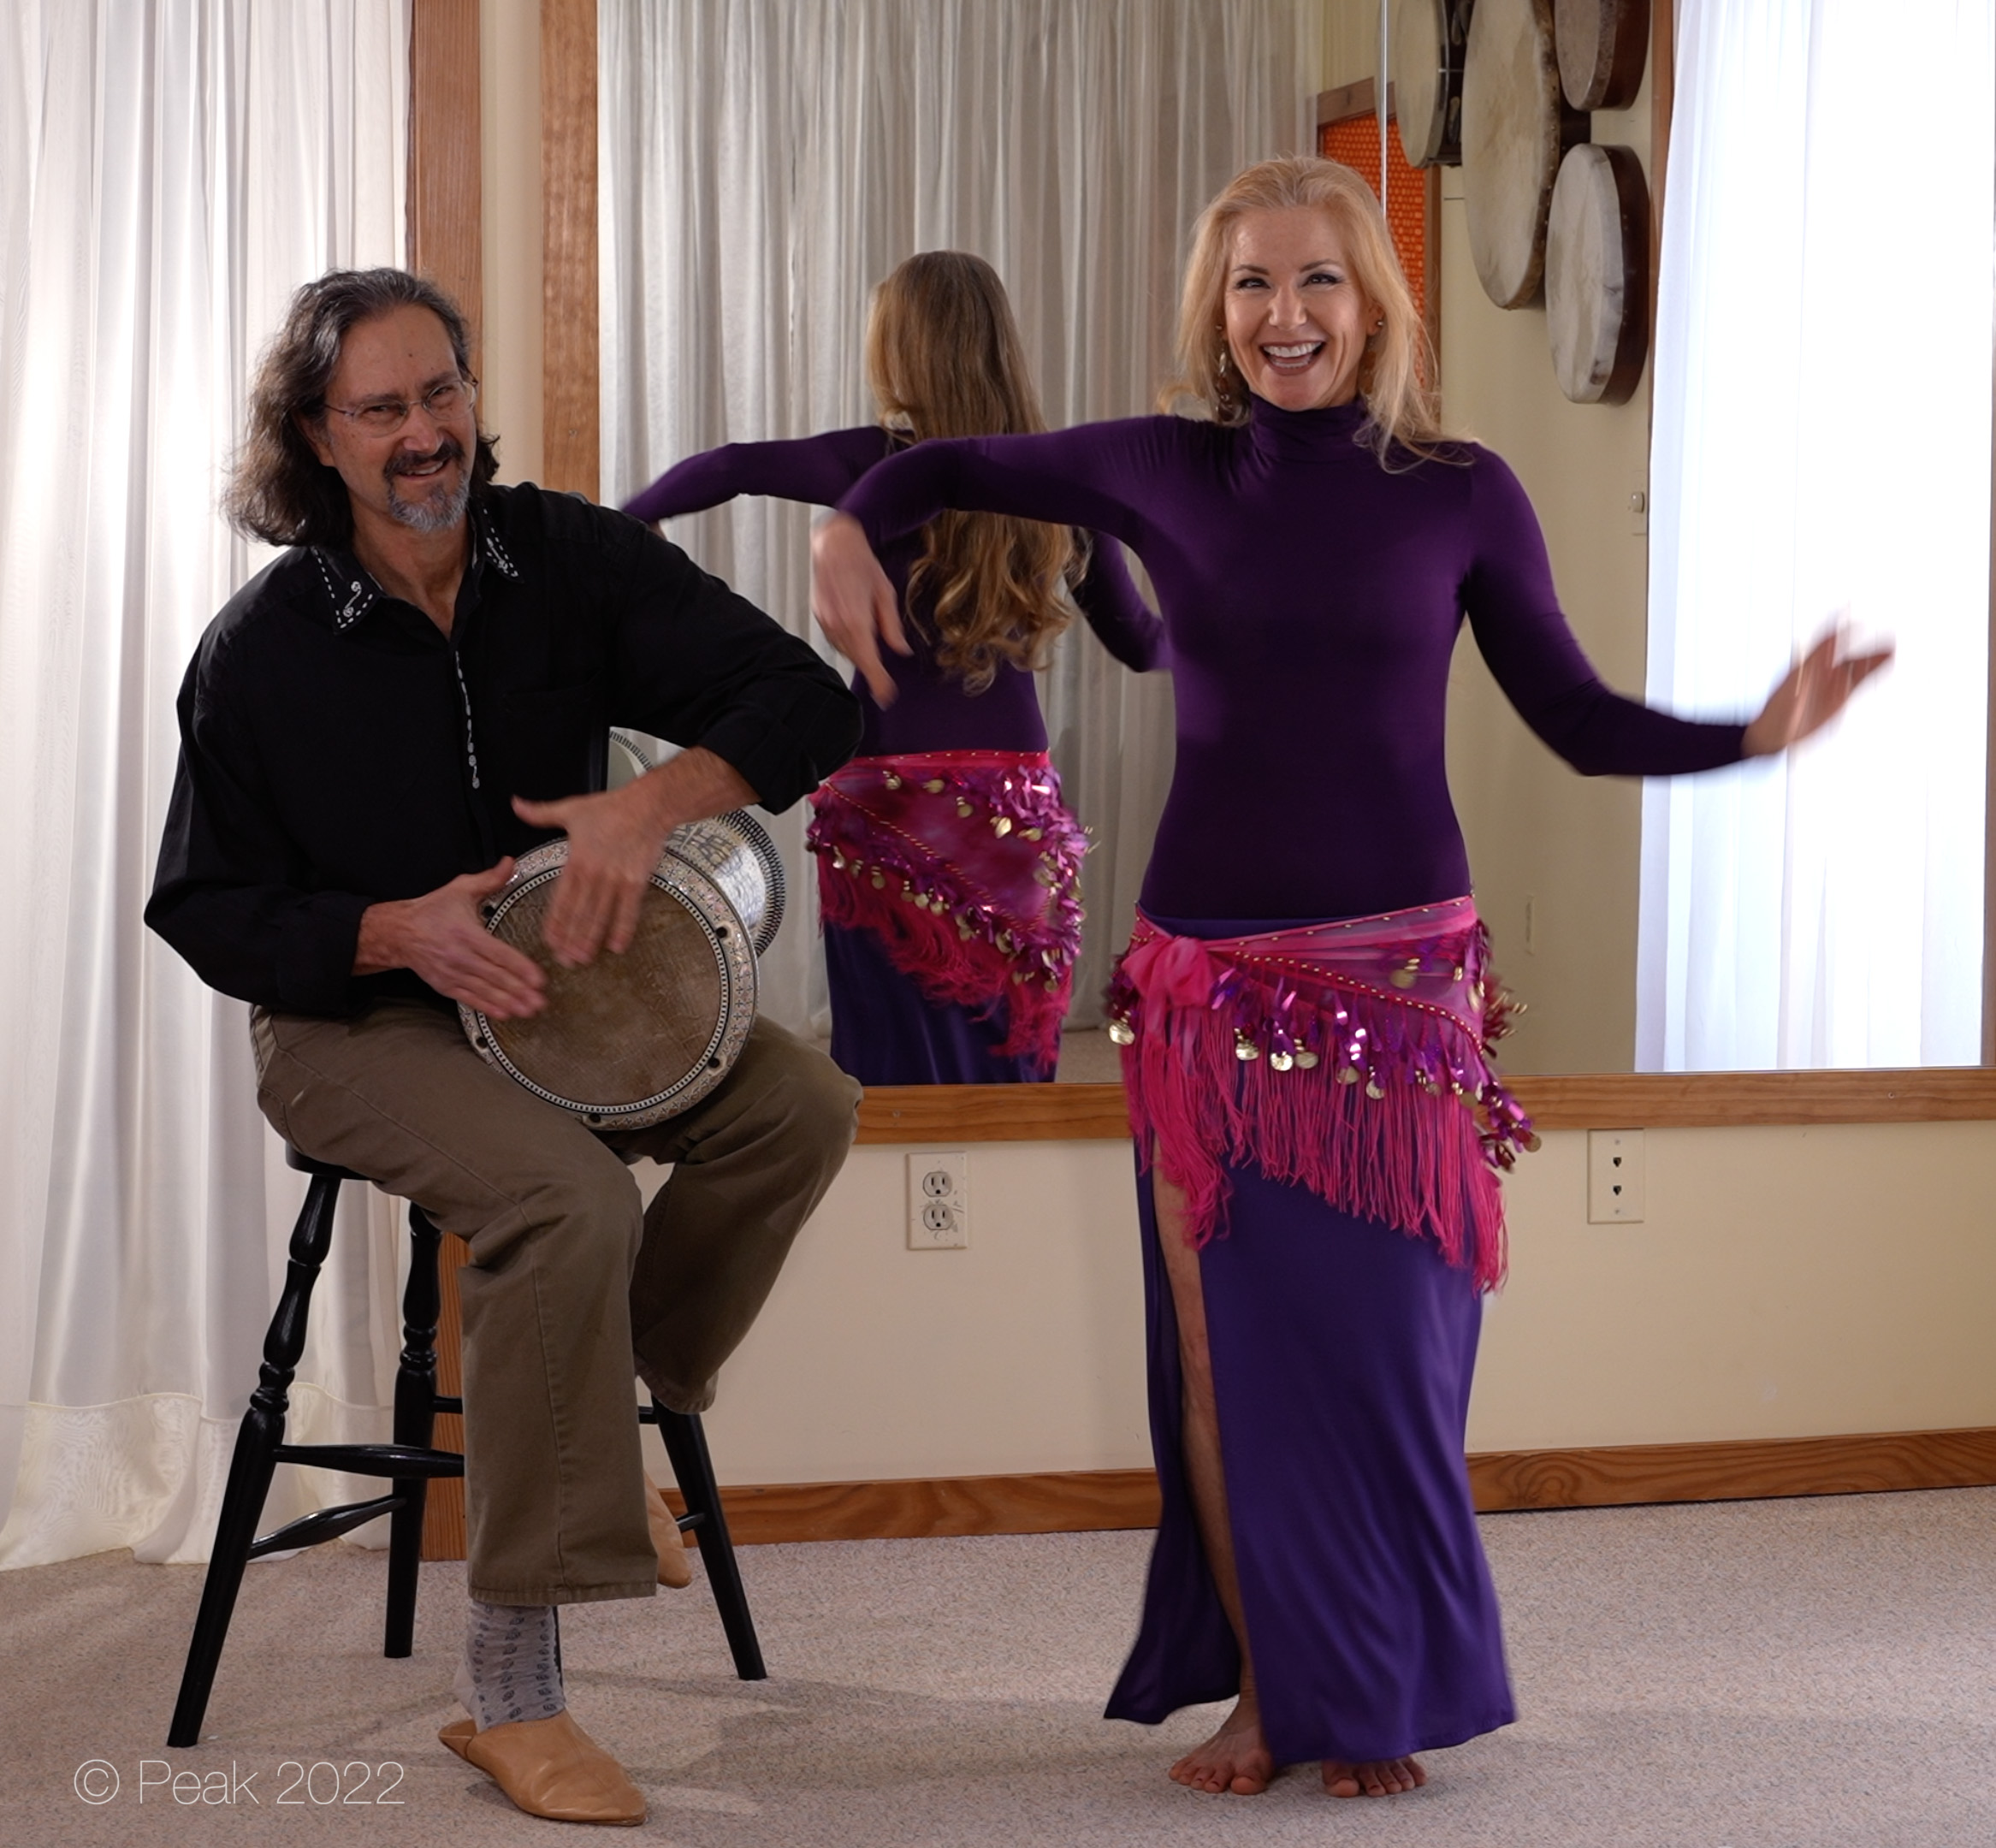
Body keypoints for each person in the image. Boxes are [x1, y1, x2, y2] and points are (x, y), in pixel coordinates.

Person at [813, 157, 1890, 1799]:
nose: (1282, 314)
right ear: (1214, 308)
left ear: (1370, 306)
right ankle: (1265, 1689)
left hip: (1396, 995)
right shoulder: (1158, 466)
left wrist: (1752, 734)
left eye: (1317, 281)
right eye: (1249, 283)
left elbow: (1579, 721)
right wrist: (844, 534)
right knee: (1216, 1351)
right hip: (1198, 990)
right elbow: (934, 465)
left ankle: (1367, 1671)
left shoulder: (1462, 491)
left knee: (1392, 1359)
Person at [147, 269, 865, 1827]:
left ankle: (599, 1417)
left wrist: (648, 802)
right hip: (356, 1020)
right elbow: (204, 907)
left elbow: (805, 704)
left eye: (442, 394)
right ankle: (513, 1697)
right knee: (568, 1200)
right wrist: (391, 930)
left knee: (802, 1105)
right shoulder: (259, 650)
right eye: (382, 409)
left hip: (558, 1001)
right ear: (316, 440)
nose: (425, 435)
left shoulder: (568, 560)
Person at [626, 251, 1163, 1085]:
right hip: (1006, 806)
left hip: (883, 797)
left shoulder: (874, 460)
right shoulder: (1058, 480)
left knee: (890, 1060)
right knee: (1004, 1042)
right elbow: (1140, 644)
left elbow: (728, 465)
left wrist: (626, 527)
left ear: (900, 349)